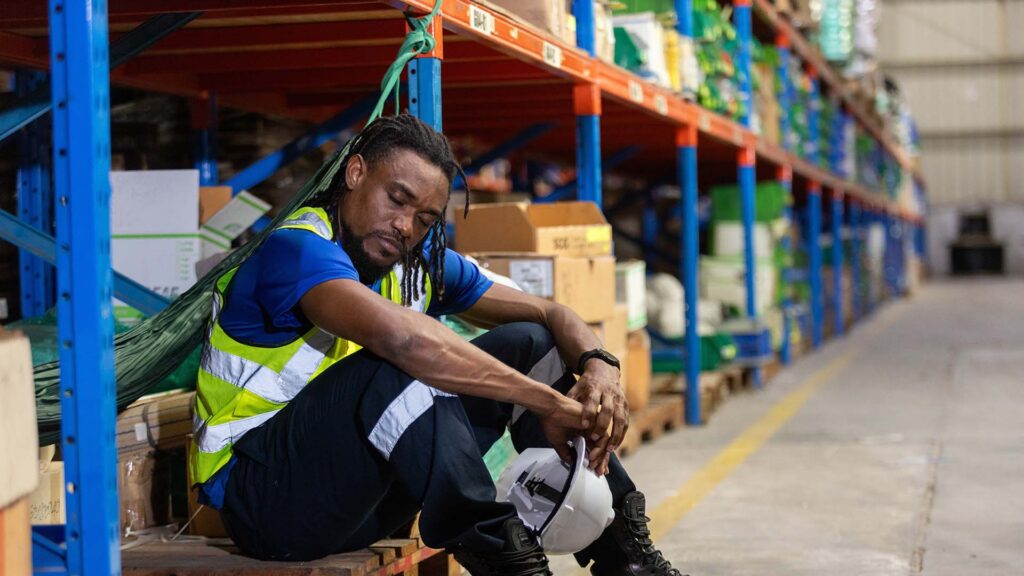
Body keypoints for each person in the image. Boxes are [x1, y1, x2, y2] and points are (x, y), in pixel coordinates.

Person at [189, 114, 683, 576]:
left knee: (533, 344)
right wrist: (545, 402)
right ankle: (507, 557)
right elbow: (404, 341)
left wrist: (601, 367)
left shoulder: (410, 263)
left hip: (364, 501)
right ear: (356, 173)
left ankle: (626, 555)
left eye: (425, 218)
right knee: (404, 360)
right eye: (396, 199)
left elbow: (551, 313)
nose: (405, 226)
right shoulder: (297, 250)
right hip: (269, 504)